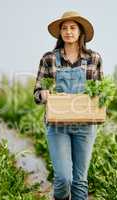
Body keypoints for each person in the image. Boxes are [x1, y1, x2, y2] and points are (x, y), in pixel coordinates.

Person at [33, 11, 103, 200]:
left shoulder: (93, 59)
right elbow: (37, 93)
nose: (68, 31)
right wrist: (43, 94)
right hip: (57, 125)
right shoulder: (49, 59)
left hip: (85, 125)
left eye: (73, 28)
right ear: (60, 33)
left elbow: (101, 92)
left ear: (81, 32)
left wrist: (100, 98)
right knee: (63, 178)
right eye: (64, 28)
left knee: (80, 181)